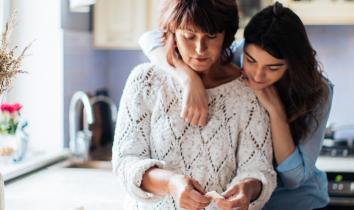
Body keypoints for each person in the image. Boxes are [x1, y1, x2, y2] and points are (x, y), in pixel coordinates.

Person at [138, 2, 333, 210]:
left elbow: (294, 179)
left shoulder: (318, 91)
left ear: (292, 64)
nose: (257, 75)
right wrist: (187, 78)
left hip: (295, 203)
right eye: (250, 60)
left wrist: (276, 112)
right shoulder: (234, 55)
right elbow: (151, 38)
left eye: (273, 68)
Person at [112, 0, 277, 210]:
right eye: (189, 36)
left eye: (211, 36)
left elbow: (259, 169)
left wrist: (246, 190)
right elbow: (126, 161)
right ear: (172, 33)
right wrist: (171, 183)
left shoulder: (247, 92)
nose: (200, 49)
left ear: (226, 35)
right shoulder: (145, 81)